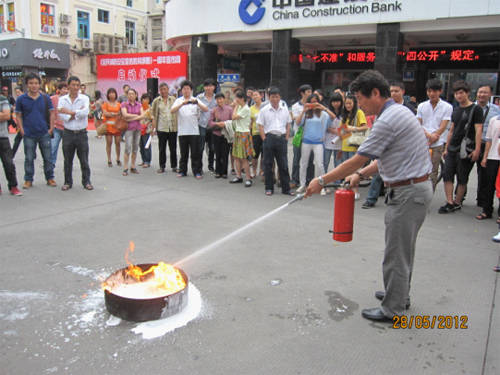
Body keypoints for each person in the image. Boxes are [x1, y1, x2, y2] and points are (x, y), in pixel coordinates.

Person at [305, 70, 433, 322]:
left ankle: (392, 308)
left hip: (408, 192)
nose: (359, 104)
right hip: (414, 189)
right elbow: (384, 157)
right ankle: (399, 294)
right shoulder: (399, 111)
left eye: (361, 99)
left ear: (376, 93)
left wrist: (321, 180)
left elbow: (358, 158)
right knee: (404, 250)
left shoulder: (388, 119)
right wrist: (361, 174)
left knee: (396, 252)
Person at [438, 80, 484, 214]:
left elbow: (479, 129)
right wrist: (447, 148)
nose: (458, 96)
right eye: (456, 93)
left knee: (462, 177)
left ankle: (457, 202)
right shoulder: (456, 109)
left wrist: (477, 149)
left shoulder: (476, 109)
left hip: (467, 148)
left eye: (461, 93)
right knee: (447, 175)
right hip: (453, 147)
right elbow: (451, 130)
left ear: (468, 93)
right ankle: (449, 202)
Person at [15, 72, 56, 189]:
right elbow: (18, 115)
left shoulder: (45, 98)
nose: (34, 85)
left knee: (48, 158)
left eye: (36, 83)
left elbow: (52, 113)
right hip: (28, 134)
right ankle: (28, 179)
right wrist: (22, 130)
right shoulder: (21, 99)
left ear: (40, 84)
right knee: (29, 158)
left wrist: (51, 129)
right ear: (27, 84)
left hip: (44, 132)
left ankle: (50, 177)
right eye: (31, 83)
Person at [417, 79, 453, 191]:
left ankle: (428, 198)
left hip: (437, 144)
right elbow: (418, 124)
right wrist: (428, 136)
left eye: (435, 91)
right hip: (421, 142)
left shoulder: (447, 107)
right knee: (419, 170)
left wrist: (431, 140)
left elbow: (442, 127)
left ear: (440, 91)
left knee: (433, 172)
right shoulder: (422, 106)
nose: (432, 94)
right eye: (429, 91)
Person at [257, 87, 294, 196]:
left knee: (283, 164)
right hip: (269, 138)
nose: (275, 99)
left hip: (281, 138)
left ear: (280, 98)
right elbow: (260, 125)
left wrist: (286, 137)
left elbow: (288, 124)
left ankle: (286, 188)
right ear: (268, 97)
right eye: (272, 97)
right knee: (268, 164)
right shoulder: (264, 110)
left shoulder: (285, 110)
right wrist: (264, 138)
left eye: (277, 97)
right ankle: (269, 188)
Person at [58, 75, 92, 191]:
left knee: (84, 159)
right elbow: (62, 115)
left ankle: (86, 181)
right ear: (68, 86)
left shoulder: (84, 98)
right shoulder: (62, 99)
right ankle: (68, 182)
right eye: (73, 85)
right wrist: (75, 113)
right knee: (68, 159)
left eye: (78, 85)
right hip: (68, 133)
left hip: (81, 133)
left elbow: (85, 112)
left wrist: (68, 112)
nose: (76, 87)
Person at [295, 93, 332, 195]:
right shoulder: (307, 114)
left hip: (318, 142)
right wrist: (304, 110)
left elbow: (333, 117)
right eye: (311, 103)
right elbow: (298, 122)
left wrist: (323, 108)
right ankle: (302, 184)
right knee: (303, 163)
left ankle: (322, 186)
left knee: (320, 165)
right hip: (306, 141)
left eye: (315, 102)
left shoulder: (323, 114)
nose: (313, 104)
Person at [170, 80, 208, 178]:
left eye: (188, 89)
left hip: (194, 131)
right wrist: (182, 104)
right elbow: (172, 111)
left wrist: (197, 103)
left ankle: (197, 171)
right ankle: (182, 170)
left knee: (195, 153)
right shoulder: (178, 100)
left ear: (191, 90)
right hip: (182, 131)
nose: (186, 91)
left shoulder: (195, 100)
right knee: (183, 153)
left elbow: (206, 109)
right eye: (184, 89)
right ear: (181, 90)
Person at [475, 84, 500, 207]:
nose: (482, 95)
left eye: (485, 92)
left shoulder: (496, 110)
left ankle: (483, 200)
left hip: (488, 144)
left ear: (490, 94)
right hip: (473, 144)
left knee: (484, 173)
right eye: (480, 92)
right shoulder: (472, 107)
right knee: (462, 173)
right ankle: (459, 199)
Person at [339, 94, 368, 200]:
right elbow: (342, 129)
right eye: (346, 103)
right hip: (345, 144)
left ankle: (356, 191)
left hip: (354, 144)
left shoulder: (359, 113)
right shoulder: (345, 114)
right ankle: (348, 188)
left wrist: (353, 129)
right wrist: (342, 132)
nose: (348, 105)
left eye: (350, 103)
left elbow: (365, 127)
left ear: (354, 103)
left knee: (353, 169)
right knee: (346, 169)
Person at [291, 84, 314, 189]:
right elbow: (298, 122)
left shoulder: (314, 105)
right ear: (302, 93)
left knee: (310, 159)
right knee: (297, 159)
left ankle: (310, 180)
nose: (310, 94)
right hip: (299, 136)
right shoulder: (296, 106)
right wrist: (304, 111)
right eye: (308, 92)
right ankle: (295, 180)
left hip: (311, 136)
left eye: (311, 91)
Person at [151, 82, 178, 173]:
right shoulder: (156, 101)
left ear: (167, 89)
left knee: (173, 148)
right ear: (159, 90)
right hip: (161, 127)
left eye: (164, 89)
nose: (163, 91)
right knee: (162, 148)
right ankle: (162, 166)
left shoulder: (173, 99)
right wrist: (153, 128)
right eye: (161, 89)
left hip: (172, 127)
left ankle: (174, 166)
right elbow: (153, 114)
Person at [478, 113, 500, 221]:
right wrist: (485, 157)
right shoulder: (494, 120)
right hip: (493, 156)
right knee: (489, 184)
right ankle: (487, 210)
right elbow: (489, 140)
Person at [229, 90, 253, 187]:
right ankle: (239, 176)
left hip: (243, 134)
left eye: (236, 98)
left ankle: (248, 178)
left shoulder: (246, 109)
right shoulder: (240, 107)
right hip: (238, 133)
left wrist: (235, 107)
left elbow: (233, 117)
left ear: (242, 99)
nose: (235, 100)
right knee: (236, 157)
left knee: (243, 158)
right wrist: (235, 106)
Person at [0, 92, 22, 196]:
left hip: (2, 137)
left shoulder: (2, 99)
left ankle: (13, 186)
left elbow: (7, 115)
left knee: (8, 163)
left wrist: (4, 115)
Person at [120, 88, 145, 176]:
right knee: (127, 147)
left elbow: (142, 115)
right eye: (129, 94)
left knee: (135, 148)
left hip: (137, 128)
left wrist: (131, 118)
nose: (131, 95)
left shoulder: (139, 104)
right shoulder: (124, 104)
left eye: (132, 94)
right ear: (127, 95)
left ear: (135, 95)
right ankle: (125, 167)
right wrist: (136, 116)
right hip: (128, 128)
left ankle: (133, 166)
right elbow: (125, 115)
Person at [208, 92, 232, 178]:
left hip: (226, 134)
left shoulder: (229, 109)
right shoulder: (213, 110)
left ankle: (224, 172)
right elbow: (210, 122)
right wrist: (217, 124)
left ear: (224, 99)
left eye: (221, 98)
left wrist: (225, 124)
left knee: (225, 153)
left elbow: (232, 121)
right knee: (217, 153)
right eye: (217, 99)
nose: (219, 100)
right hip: (216, 134)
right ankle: (218, 171)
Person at [323, 93, 344, 195]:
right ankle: (324, 181)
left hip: (340, 141)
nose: (336, 103)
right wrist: (335, 132)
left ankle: (337, 183)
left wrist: (342, 133)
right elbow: (325, 126)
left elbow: (346, 125)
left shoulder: (344, 113)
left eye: (338, 101)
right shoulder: (327, 113)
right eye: (334, 101)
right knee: (325, 162)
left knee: (338, 164)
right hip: (328, 141)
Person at [196, 78, 217, 174]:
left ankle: (211, 166)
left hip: (212, 126)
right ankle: (199, 167)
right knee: (200, 147)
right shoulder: (199, 98)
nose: (209, 88)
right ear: (204, 87)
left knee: (212, 147)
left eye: (211, 86)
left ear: (214, 87)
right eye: (207, 86)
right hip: (202, 125)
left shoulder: (217, 98)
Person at [50, 82, 69, 167]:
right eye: (64, 89)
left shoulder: (69, 100)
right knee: (53, 147)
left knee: (67, 150)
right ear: (59, 90)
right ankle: (50, 164)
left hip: (67, 128)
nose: (66, 91)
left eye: (67, 89)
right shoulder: (53, 99)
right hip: (56, 127)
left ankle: (67, 166)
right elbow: (51, 112)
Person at [102, 88, 122, 167]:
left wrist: (111, 114)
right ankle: (109, 159)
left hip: (117, 126)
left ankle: (118, 158)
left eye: (113, 93)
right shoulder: (105, 104)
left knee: (118, 143)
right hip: (109, 126)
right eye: (110, 93)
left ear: (116, 94)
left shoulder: (119, 104)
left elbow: (120, 114)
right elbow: (105, 114)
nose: (111, 94)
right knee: (109, 143)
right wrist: (114, 114)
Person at [250, 90, 264, 178]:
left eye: (256, 95)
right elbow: (251, 122)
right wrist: (249, 133)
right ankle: (254, 171)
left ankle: (262, 170)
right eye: (253, 96)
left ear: (261, 96)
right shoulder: (251, 108)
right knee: (255, 153)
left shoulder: (265, 106)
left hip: (265, 132)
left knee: (264, 153)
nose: (255, 97)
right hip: (256, 132)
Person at [139, 93, 153, 168]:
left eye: (147, 99)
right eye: (144, 99)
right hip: (139, 128)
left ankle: (147, 161)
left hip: (147, 128)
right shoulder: (139, 107)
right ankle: (143, 159)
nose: (145, 101)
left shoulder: (150, 109)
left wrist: (152, 129)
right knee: (140, 145)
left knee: (146, 145)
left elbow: (152, 119)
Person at [11, 86, 24, 158]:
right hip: (21, 123)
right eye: (16, 93)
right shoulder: (18, 100)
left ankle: (12, 154)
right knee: (18, 139)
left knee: (18, 139)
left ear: (22, 92)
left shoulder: (24, 99)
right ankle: (12, 154)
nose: (17, 94)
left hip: (26, 123)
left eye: (19, 92)